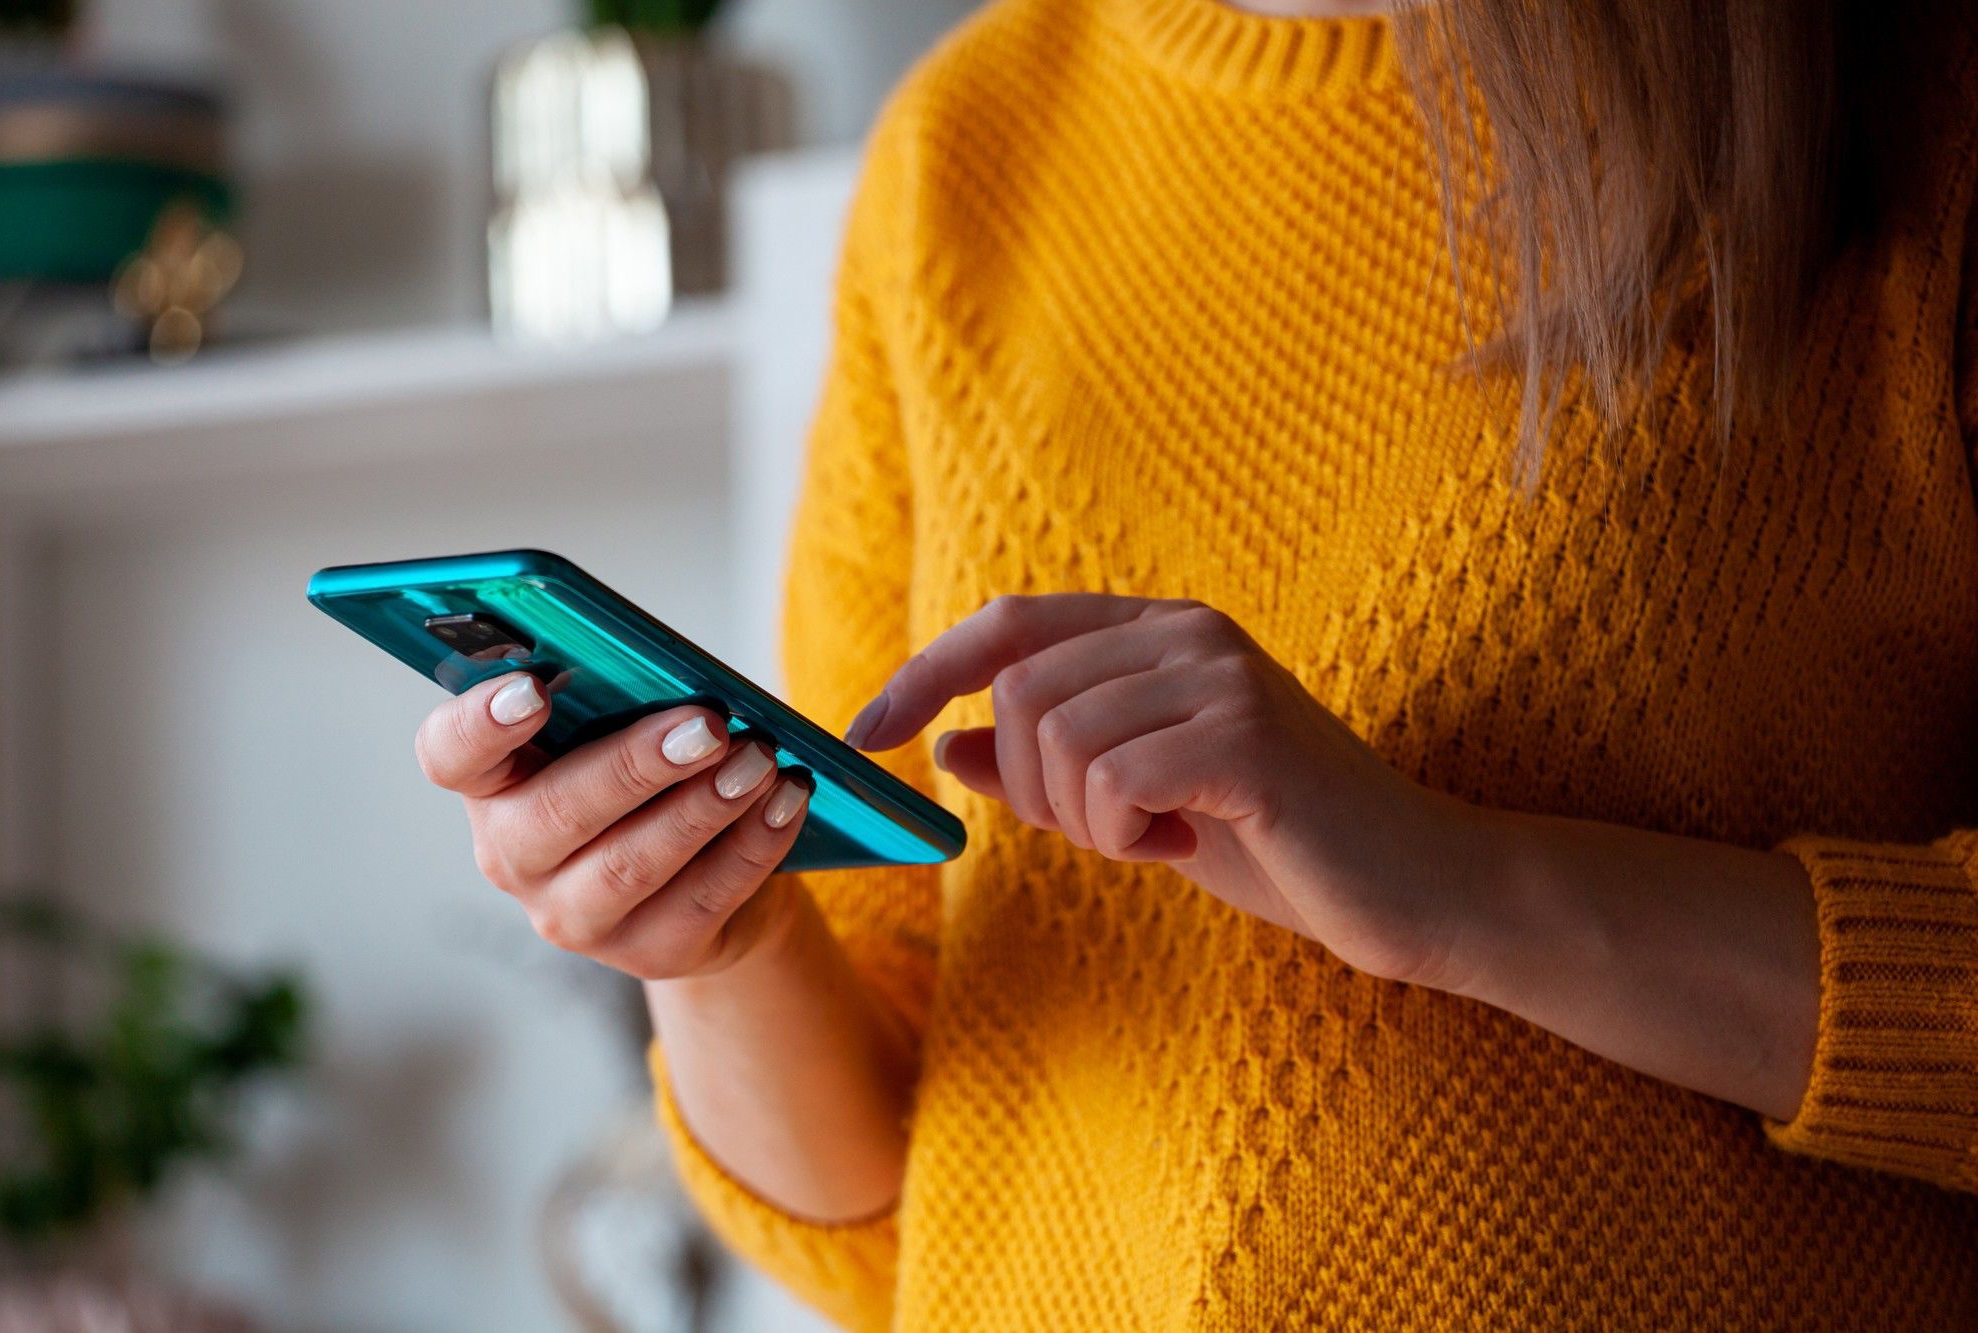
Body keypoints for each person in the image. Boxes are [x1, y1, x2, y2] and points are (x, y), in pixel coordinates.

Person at [413, 0, 1978, 1325]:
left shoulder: (1897, 91)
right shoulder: (964, 150)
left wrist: (1467, 888)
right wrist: (716, 944)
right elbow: (889, 1209)